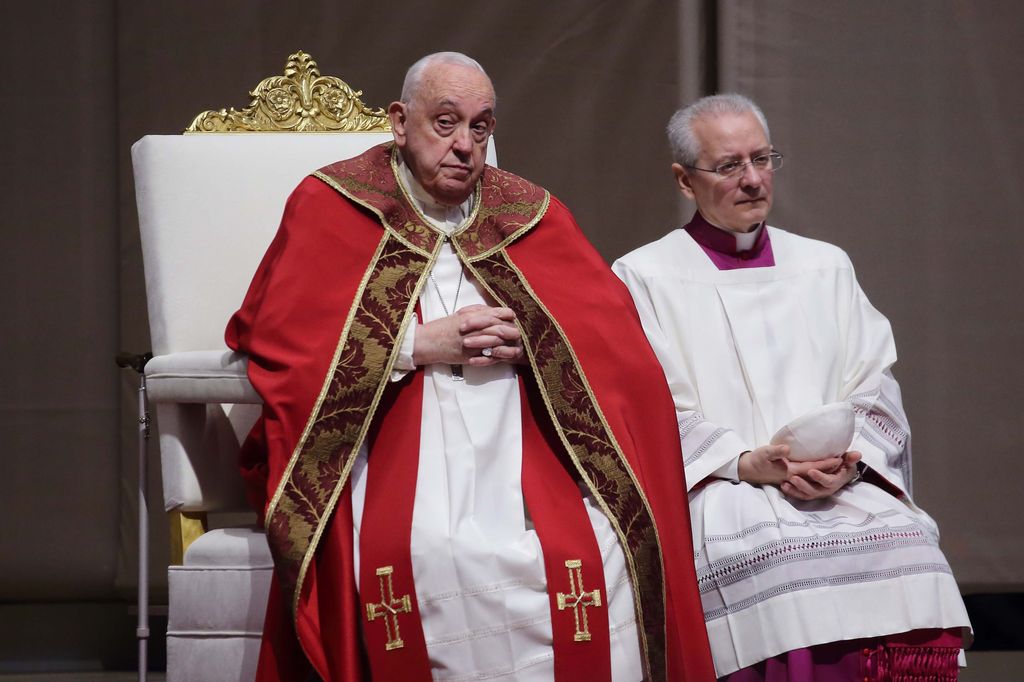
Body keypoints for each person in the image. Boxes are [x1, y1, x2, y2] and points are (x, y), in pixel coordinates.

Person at [226, 52, 715, 681]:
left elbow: (617, 348)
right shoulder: (333, 203)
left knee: (590, 549)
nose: (465, 146)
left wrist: (539, 344)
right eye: (445, 123)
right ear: (400, 122)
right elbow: (279, 339)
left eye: (480, 128)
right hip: (393, 430)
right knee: (434, 554)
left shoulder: (528, 210)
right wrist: (417, 345)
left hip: (525, 434)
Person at [612, 94, 972, 680]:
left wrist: (850, 463)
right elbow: (648, 409)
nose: (752, 179)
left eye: (763, 158)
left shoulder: (825, 265)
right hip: (722, 483)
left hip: (837, 478)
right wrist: (748, 463)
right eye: (729, 165)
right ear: (684, 180)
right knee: (774, 571)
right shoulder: (643, 276)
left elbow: (874, 386)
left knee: (910, 547)